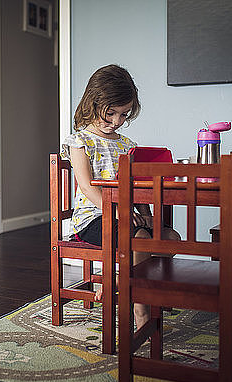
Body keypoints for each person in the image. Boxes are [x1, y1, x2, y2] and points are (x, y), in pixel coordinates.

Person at [61, 64, 180, 330]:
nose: (117, 121)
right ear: (93, 104)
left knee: (171, 238)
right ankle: (141, 310)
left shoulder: (127, 145)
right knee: (139, 239)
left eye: (124, 115)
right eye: (111, 114)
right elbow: (89, 188)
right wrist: (118, 213)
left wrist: (146, 216)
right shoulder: (79, 141)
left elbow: (138, 187)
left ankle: (120, 281)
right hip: (93, 219)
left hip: (129, 215)